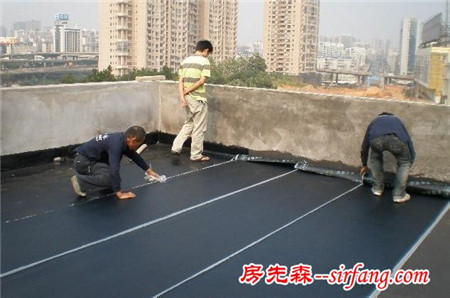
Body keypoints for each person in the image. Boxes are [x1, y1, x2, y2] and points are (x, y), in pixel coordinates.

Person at [70, 126, 160, 200]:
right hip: (83, 161)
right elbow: (114, 169)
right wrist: (120, 194)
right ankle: (80, 182)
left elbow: (133, 155)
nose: (138, 146)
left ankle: (92, 178)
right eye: (139, 143)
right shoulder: (116, 145)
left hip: (91, 160)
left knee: (114, 180)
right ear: (133, 140)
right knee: (111, 179)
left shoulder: (122, 139)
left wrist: (148, 170)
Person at [171, 40, 213, 162]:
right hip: (198, 99)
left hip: (188, 99)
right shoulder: (205, 61)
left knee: (189, 123)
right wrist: (186, 92)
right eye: (208, 53)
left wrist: (182, 96)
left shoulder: (185, 61)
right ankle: (196, 155)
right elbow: (201, 81)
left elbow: (180, 81)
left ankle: (176, 147)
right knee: (199, 127)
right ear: (206, 50)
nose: (208, 55)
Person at [360, 112, 415, 203]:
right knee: (404, 163)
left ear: (380, 116)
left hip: (376, 140)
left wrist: (364, 164)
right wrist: (410, 161)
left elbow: (365, 145)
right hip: (396, 139)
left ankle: (377, 189)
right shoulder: (397, 121)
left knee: (375, 159)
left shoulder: (374, 122)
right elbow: (408, 141)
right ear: (392, 116)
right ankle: (399, 195)